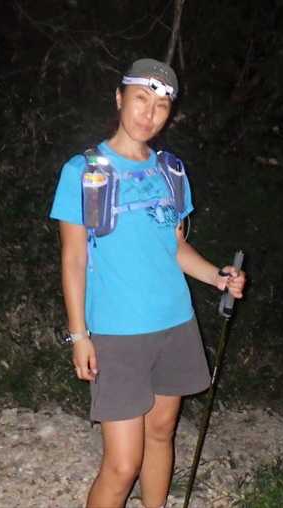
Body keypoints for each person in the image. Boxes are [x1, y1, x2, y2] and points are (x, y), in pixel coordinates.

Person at [49, 58, 246, 508]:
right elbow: (74, 259)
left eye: (161, 106)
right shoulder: (83, 172)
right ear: (119, 98)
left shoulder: (171, 173)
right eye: (141, 99)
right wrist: (79, 335)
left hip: (175, 324)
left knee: (161, 433)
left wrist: (217, 277)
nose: (149, 113)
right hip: (117, 333)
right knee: (122, 465)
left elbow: (174, 247)